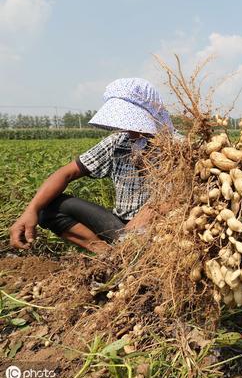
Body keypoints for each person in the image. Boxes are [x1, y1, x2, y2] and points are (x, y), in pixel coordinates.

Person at [9, 78, 174, 254]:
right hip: (119, 227)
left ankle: (130, 252)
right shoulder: (118, 142)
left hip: (162, 228)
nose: (130, 128)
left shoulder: (178, 149)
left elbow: (178, 197)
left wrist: (143, 222)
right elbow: (66, 173)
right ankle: (108, 256)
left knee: (147, 236)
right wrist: (30, 210)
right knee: (48, 207)